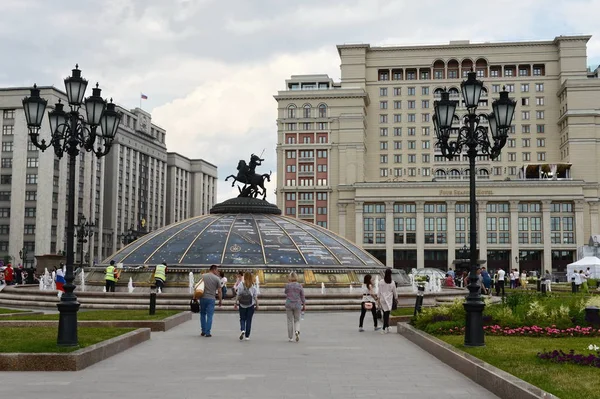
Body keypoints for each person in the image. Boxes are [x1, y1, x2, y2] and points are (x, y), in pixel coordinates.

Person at [198, 265, 222, 337]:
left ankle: (203, 331)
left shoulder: (203, 276)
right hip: (211, 299)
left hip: (202, 298)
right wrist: (220, 300)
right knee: (210, 316)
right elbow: (220, 291)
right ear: (213, 269)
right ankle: (208, 332)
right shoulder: (217, 278)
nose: (217, 272)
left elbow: (197, 286)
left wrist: (195, 296)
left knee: (202, 314)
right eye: (217, 270)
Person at [234, 272, 258, 341]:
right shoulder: (253, 285)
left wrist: (235, 303)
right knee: (249, 320)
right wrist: (257, 305)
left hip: (242, 304)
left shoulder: (241, 284)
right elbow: (255, 296)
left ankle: (242, 330)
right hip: (250, 304)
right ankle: (247, 336)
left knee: (242, 318)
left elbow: (238, 295)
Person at [284, 271, 305, 342]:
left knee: (289, 320)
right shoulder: (299, 286)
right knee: (297, 320)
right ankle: (297, 331)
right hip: (297, 304)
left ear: (290, 278)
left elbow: (285, 292)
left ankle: (290, 337)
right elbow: (302, 296)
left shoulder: (288, 285)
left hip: (289, 304)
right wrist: (304, 304)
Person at [378, 269, 398, 333]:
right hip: (389, 300)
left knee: (384, 313)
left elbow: (379, 291)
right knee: (387, 314)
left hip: (383, 299)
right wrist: (396, 298)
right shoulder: (392, 282)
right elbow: (395, 291)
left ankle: (387, 326)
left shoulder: (381, 281)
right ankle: (384, 328)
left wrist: (378, 298)